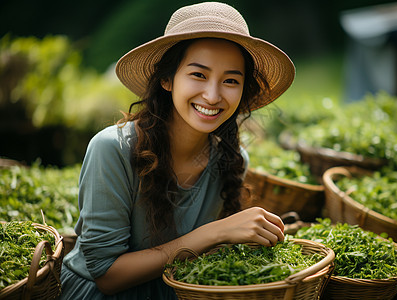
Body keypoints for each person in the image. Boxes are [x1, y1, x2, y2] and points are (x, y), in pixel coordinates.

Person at [59, 2, 295, 299]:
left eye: (231, 81)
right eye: (198, 74)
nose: (212, 95)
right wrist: (216, 232)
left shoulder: (232, 160)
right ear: (166, 79)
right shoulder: (112, 150)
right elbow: (107, 276)